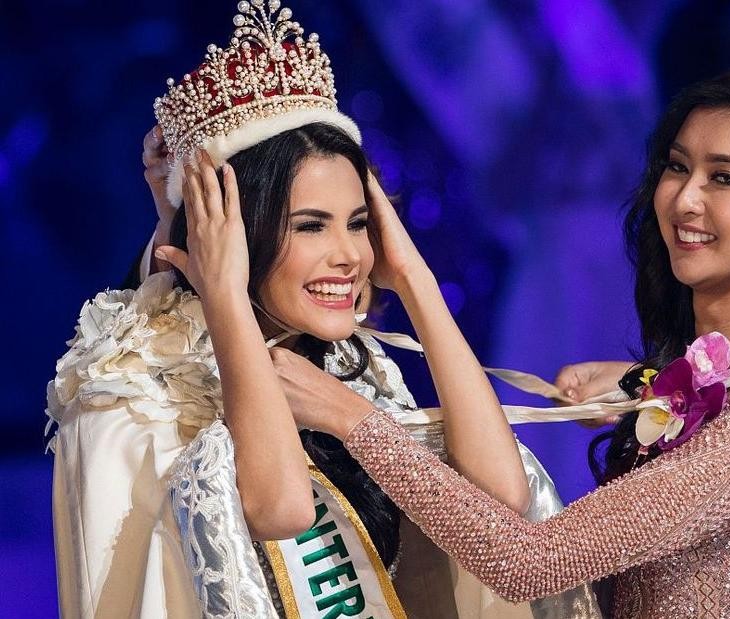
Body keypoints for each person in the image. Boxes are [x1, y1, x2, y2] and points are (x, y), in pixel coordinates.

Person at [279, 66, 730, 618]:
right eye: (678, 167)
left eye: (725, 178)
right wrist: (648, 385)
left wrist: (353, 419)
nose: (684, 198)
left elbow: (530, 563)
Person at [46, 3, 597, 617]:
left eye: (358, 223)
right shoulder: (144, 386)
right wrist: (225, 294)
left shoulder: (349, 365)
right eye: (311, 226)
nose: (349, 256)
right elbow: (281, 509)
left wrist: (413, 278)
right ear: (237, 233)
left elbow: (502, 494)